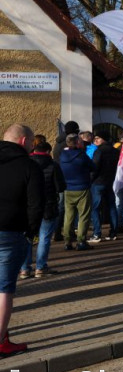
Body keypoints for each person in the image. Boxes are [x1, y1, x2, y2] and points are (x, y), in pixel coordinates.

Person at [0, 124, 44, 357]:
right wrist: (31, 233)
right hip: (11, 231)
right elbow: (36, 205)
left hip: (11, 231)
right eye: (31, 142)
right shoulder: (29, 166)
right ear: (23, 140)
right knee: (4, 288)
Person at [20, 141, 63, 278]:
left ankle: (24, 269)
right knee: (44, 237)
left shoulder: (26, 164)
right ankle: (40, 267)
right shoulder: (53, 165)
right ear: (48, 151)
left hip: (29, 206)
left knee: (28, 237)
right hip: (48, 205)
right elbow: (60, 186)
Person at [59, 134, 94, 250]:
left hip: (68, 188)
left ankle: (67, 241)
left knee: (68, 216)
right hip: (82, 187)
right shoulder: (82, 156)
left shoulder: (62, 155)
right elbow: (93, 167)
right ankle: (81, 241)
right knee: (83, 215)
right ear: (77, 142)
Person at [88, 134, 119, 242]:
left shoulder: (99, 151)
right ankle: (113, 232)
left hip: (98, 182)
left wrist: (90, 179)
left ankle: (97, 233)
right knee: (111, 206)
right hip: (110, 181)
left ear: (103, 139)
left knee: (95, 208)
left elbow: (95, 166)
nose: (95, 140)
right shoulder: (115, 151)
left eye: (98, 138)